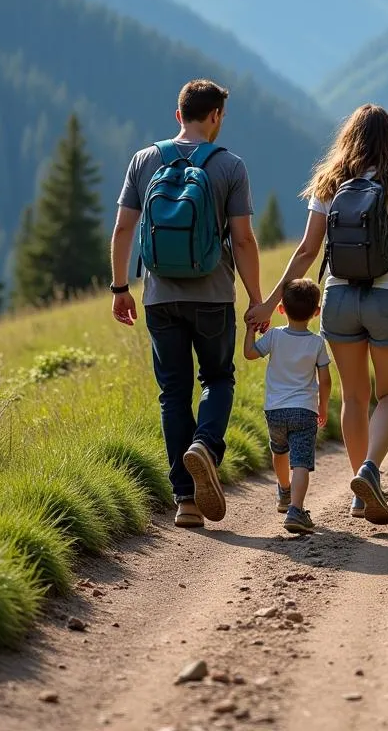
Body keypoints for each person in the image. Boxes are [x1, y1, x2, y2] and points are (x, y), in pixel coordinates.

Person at [247, 104, 388, 525]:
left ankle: (359, 489)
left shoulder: (330, 182)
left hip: (336, 298)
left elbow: (306, 252)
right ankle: (370, 471)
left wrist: (268, 302)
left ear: (348, 139)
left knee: (353, 397)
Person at [110, 79, 263, 529]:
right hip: (213, 297)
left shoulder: (144, 160)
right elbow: (243, 239)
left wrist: (120, 288)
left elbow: (123, 229)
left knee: (173, 393)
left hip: (160, 299)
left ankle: (186, 501)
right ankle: (206, 446)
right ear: (215, 116)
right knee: (218, 377)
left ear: (179, 115)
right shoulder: (229, 166)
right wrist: (257, 299)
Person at [243, 278, 332, 535]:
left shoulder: (273, 336)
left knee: (279, 450)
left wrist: (251, 328)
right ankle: (296, 510)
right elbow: (325, 380)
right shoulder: (317, 343)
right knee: (301, 462)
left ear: (281, 308)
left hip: (275, 410)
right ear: (316, 312)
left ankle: (284, 491)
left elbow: (249, 353)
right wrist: (323, 406)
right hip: (304, 410)